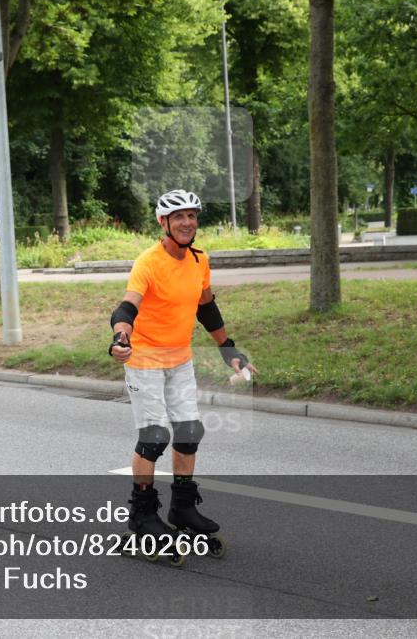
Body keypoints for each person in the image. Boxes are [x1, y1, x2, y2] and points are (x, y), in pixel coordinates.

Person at [108, 189, 257, 561]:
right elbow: (127, 306)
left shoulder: (199, 260)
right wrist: (120, 337)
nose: (187, 223)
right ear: (164, 223)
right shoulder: (148, 262)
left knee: (190, 431)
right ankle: (142, 515)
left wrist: (229, 350)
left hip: (179, 360)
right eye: (178, 217)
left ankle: (182, 507)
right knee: (154, 437)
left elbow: (206, 308)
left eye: (192, 216)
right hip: (144, 360)